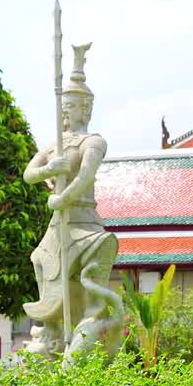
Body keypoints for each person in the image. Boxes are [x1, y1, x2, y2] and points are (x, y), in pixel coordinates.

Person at [23, 44, 123, 359]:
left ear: (86, 109)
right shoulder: (55, 143)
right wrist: (50, 169)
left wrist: (62, 198)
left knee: (89, 278)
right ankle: (50, 325)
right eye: (64, 105)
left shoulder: (94, 142)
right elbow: (29, 173)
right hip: (58, 223)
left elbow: (86, 178)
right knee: (40, 259)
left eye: (74, 105)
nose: (67, 110)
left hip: (83, 221)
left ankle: (88, 326)